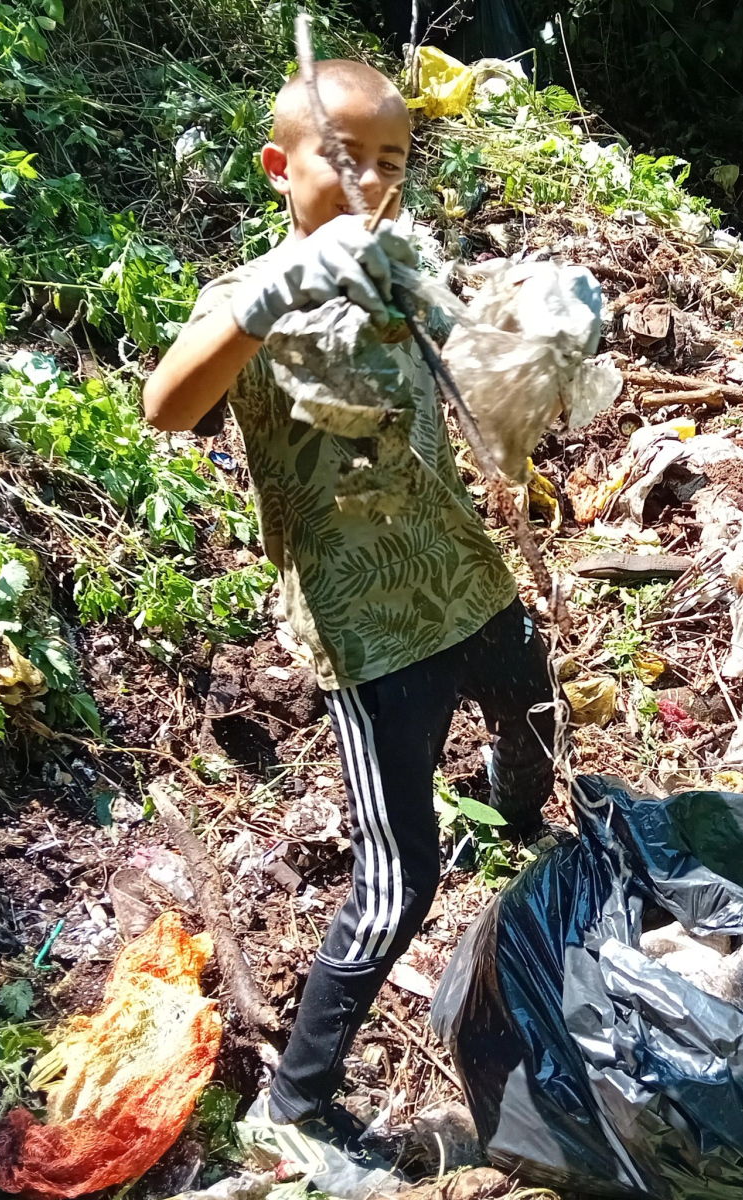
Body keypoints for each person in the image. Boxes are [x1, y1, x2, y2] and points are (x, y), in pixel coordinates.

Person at [143, 60, 555, 1197]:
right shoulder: (248, 294)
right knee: (397, 874)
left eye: (392, 161)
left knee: (538, 714)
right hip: (368, 631)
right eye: (343, 158)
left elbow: (475, 376)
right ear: (281, 168)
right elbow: (168, 406)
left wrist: (541, 346)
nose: (370, 182)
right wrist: (273, 294)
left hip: (464, 575)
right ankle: (296, 1104)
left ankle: (514, 829)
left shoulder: (399, 271)